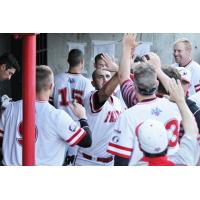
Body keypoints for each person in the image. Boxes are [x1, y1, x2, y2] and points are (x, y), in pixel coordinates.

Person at [0, 65, 92, 166]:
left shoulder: (10, 108)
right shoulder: (57, 116)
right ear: (51, 86)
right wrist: (82, 117)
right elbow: (87, 141)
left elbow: (1, 137)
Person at [136, 79, 200, 166]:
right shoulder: (182, 160)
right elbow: (192, 130)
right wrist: (180, 101)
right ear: (167, 141)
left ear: (140, 146)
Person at [53, 49, 94, 165]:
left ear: (68, 61)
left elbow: (50, 103)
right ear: (82, 62)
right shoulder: (87, 83)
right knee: (70, 163)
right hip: (75, 128)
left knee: (57, 160)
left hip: (57, 124)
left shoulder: (56, 79)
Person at [74, 66, 122, 165]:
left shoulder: (117, 101)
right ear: (93, 83)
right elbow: (104, 92)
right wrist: (121, 70)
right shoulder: (91, 97)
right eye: (100, 77)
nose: (105, 80)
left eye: (108, 76)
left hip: (110, 161)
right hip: (87, 161)